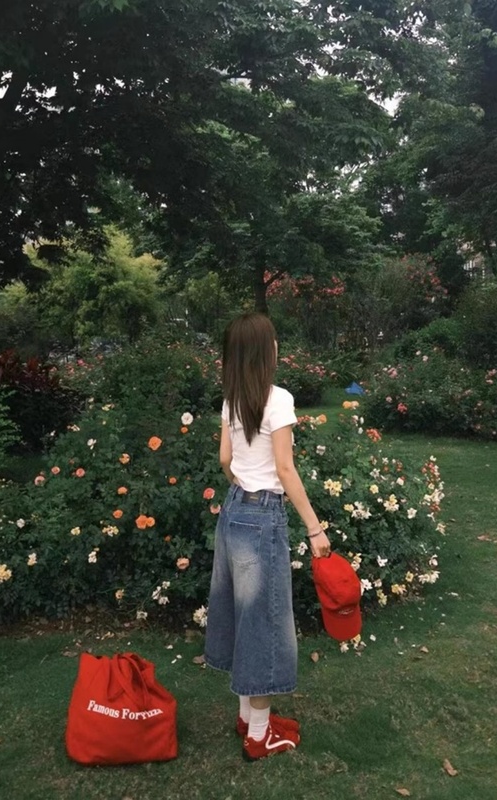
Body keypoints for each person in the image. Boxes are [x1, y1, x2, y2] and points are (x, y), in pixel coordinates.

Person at [204, 312, 331, 760]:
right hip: (262, 518)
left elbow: (225, 459)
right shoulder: (278, 399)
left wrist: (241, 485)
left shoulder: (232, 399)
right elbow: (284, 469)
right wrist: (314, 527)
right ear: (265, 351)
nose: (278, 346)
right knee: (264, 622)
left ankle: (247, 716)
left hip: (234, 510)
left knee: (243, 615)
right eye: (274, 340)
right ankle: (259, 736)